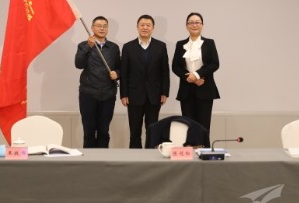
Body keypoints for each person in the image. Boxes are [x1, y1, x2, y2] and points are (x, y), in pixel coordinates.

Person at [120, 14, 170, 148]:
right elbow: (124, 73)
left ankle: (150, 157)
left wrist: (164, 92)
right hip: (133, 95)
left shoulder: (161, 46)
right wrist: (124, 94)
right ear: (137, 27)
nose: (145, 27)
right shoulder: (128, 47)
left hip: (154, 95)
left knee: (152, 131)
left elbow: (165, 71)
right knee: (134, 132)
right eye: (142, 25)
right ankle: (135, 158)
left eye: (148, 25)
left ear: (153, 28)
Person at [75, 16, 121, 148]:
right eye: (99, 26)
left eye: (105, 26)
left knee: (103, 131)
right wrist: (88, 47)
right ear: (92, 28)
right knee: (89, 132)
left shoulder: (113, 47)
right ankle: (89, 159)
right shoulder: (83, 45)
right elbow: (78, 64)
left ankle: (103, 158)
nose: (102, 28)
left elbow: (120, 67)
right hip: (88, 94)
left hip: (108, 95)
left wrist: (117, 74)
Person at [172, 12, 220, 134]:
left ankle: (203, 147)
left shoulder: (209, 43)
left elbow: (214, 64)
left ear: (202, 25)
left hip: (205, 88)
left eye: (197, 22)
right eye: (191, 22)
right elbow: (175, 66)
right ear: (187, 25)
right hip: (186, 90)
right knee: (188, 127)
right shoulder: (180, 44)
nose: (194, 25)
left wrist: (197, 74)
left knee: (204, 127)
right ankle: (190, 147)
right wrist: (190, 78)